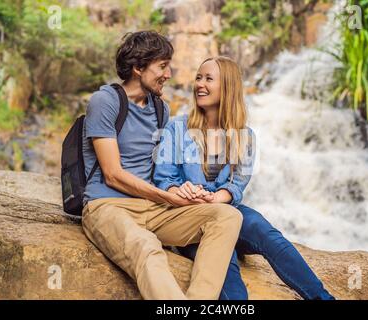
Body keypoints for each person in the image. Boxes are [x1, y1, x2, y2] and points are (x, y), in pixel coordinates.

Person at [153, 56, 335, 300]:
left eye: (208, 79)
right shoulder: (177, 127)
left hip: (227, 209)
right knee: (224, 263)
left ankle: (323, 298)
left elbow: (237, 183)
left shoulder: (245, 136)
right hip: (190, 215)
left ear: (228, 86)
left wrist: (220, 196)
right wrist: (182, 190)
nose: (199, 84)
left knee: (265, 232)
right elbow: (164, 179)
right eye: (198, 77)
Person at [81, 32, 243, 300]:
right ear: (138, 67)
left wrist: (186, 192)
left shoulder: (161, 109)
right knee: (147, 248)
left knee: (227, 216)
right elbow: (112, 175)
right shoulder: (105, 101)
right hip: (107, 205)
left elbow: (166, 170)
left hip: (153, 209)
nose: (169, 74)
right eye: (162, 66)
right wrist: (168, 196)